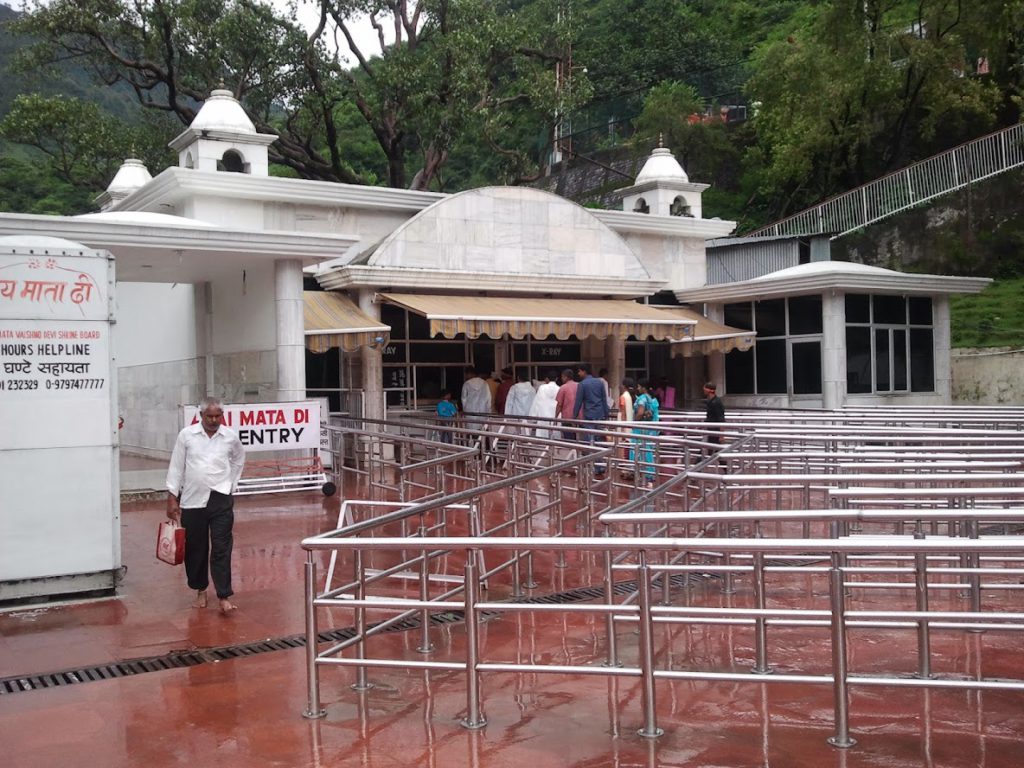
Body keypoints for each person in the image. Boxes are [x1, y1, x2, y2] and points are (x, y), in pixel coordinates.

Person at [166, 397, 246, 615]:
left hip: (220, 498)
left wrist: (232, 484)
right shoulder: (187, 435)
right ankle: (200, 590)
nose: (213, 420)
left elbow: (239, 459)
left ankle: (224, 595)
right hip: (192, 499)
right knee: (196, 549)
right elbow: (176, 466)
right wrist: (172, 496)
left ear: (222, 415)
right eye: (209, 416)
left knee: (221, 547)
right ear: (200, 415)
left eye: (217, 416)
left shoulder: (230, 436)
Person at [573, 363, 610, 475]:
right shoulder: (599, 382)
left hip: (589, 416)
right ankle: (600, 466)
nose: (578, 374)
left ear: (584, 371)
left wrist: (574, 417)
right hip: (600, 415)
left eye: (579, 371)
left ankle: (593, 466)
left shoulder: (582, 384)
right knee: (599, 441)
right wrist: (606, 414)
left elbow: (578, 402)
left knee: (590, 441)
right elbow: (604, 399)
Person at [633, 380, 660, 486]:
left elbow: (640, 412)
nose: (638, 388)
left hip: (640, 427)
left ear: (643, 388)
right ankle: (649, 472)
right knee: (647, 448)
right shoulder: (651, 399)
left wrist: (634, 421)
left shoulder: (642, 399)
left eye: (639, 387)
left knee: (640, 448)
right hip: (649, 428)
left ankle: (644, 472)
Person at [529, 370, 560, 439]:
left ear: (547, 379)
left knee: (543, 439)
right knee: (556, 440)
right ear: (556, 379)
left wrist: (533, 417)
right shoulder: (559, 389)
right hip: (556, 417)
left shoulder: (542, 388)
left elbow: (537, 402)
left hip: (543, 416)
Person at [460, 366, 492, 432]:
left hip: (470, 413)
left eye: (466, 374)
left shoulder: (467, 384)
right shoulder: (484, 383)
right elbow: (488, 399)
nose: (465, 376)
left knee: (471, 433)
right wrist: (488, 412)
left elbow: (464, 400)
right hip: (483, 412)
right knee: (482, 432)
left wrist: (465, 411)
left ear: (470, 373)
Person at [554, 368, 578, 440]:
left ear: (565, 377)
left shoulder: (563, 388)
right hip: (579, 418)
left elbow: (559, 405)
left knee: (569, 441)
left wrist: (556, 418)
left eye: (562, 377)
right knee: (580, 440)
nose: (561, 378)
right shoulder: (579, 385)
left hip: (567, 418)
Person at [704, 381, 725, 445]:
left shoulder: (717, 402)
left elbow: (721, 419)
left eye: (705, 389)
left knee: (714, 449)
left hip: (715, 431)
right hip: (710, 429)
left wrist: (721, 435)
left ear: (709, 390)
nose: (704, 391)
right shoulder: (709, 401)